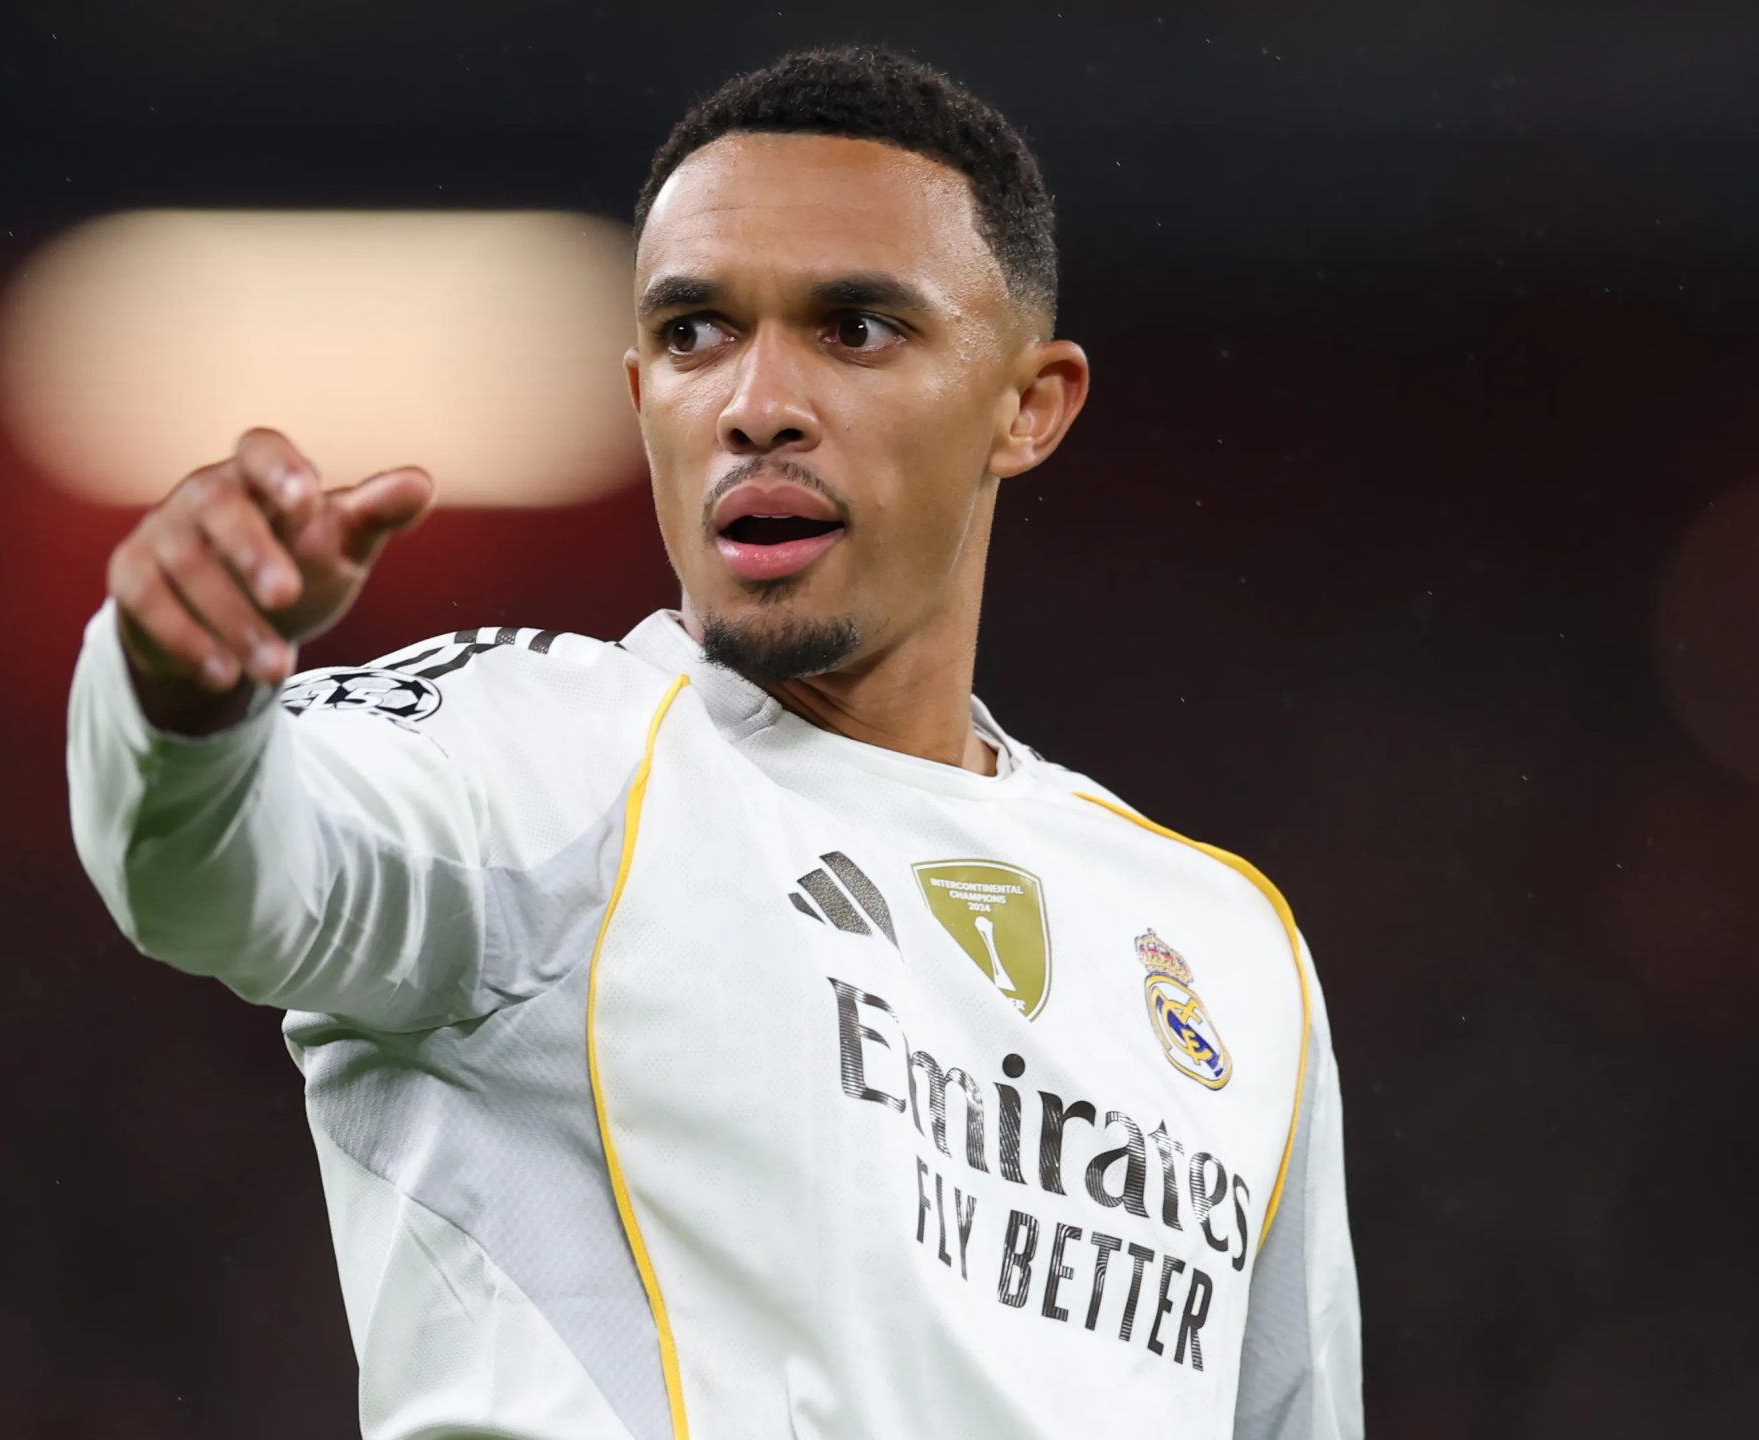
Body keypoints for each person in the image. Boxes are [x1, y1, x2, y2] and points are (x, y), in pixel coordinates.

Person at [67, 44, 1359, 1440]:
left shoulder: (1226, 952)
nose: (755, 403)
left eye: (854, 328)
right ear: (642, 398)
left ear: (1027, 405)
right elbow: (207, 870)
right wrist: (178, 691)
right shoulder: (540, 764)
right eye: (695, 333)